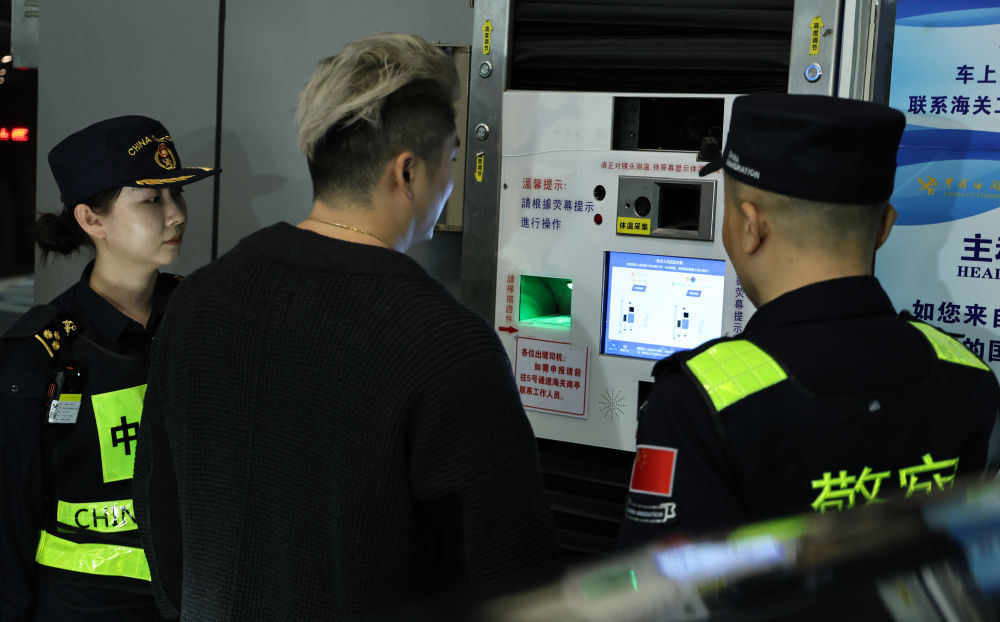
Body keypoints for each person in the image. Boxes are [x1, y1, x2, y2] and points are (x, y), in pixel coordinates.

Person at [132, 33, 563, 621]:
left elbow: (159, 508)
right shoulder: (445, 344)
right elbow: (516, 578)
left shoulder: (197, 300)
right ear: (407, 172)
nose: (451, 183)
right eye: (452, 161)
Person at [618, 94, 1000, 550]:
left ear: (750, 226)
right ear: (884, 226)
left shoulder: (696, 402)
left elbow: (654, 585)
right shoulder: (969, 375)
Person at [0, 116, 219, 621]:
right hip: (85, 607)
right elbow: (10, 511)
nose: (176, 215)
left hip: (201, 600)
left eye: (178, 194)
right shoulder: (42, 353)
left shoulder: (208, 320)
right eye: (151, 200)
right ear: (91, 219)